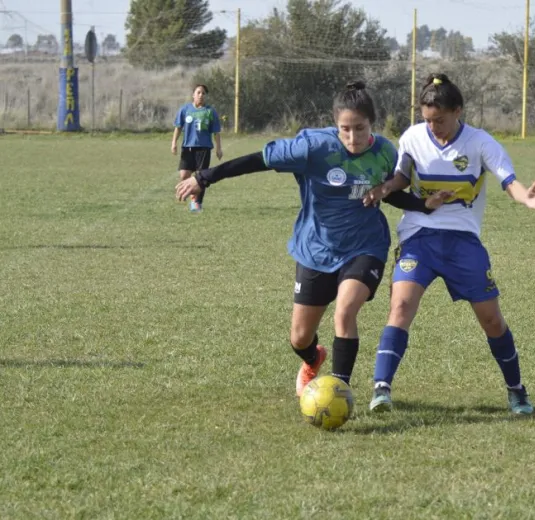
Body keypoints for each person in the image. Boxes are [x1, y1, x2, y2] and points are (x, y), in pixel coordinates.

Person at [175, 81, 449, 397]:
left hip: (365, 246)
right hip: (316, 248)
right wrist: (204, 177)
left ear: (372, 123)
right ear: (335, 125)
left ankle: (339, 391)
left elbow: (387, 194)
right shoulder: (312, 147)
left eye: (360, 128)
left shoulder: (385, 152)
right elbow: (259, 160)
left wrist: (421, 205)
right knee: (300, 337)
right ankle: (313, 358)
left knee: (345, 312)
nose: (353, 137)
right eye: (345, 129)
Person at [361, 73, 535, 415]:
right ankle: (381, 389)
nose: (433, 126)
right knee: (401, 307)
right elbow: (403, 175)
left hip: (463, 241)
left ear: (458, 111)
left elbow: (507, 179)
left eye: (440, 120)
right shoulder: (413, 137)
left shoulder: (480, 143)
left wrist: (524, 197)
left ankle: (517, 390)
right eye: (427, 120)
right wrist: (386, 188)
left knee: (492, 320)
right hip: (418, 236)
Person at [172, 84, 223, 213]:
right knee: (184, 174)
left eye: (203, 93)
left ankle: (196, 203)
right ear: (193, 95)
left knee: (200, 177)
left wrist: (218, 148)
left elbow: (216, 132)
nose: (201, 95)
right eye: (198, 92)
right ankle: (189, 193)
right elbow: (178, 127)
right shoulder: (185, 110)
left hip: (204, 148)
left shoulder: (210, 111)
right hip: (188, 148)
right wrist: (174, 143)